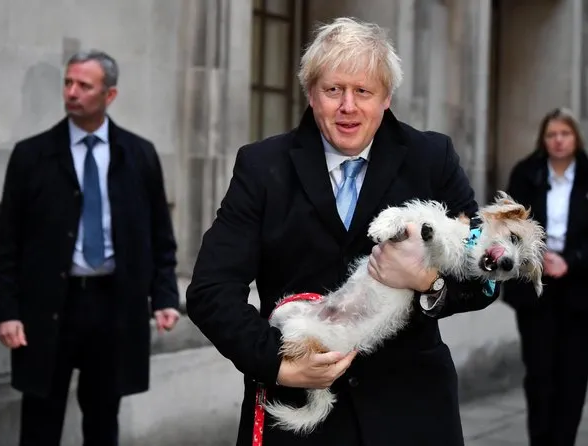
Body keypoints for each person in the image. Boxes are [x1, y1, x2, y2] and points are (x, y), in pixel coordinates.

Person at [187, 18, 501, 446]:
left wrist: (428, 282)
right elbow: (210, 289)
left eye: (363, 92)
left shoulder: (432, 158)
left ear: (386, 97)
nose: (347, 106)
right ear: (312, 94)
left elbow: (485, 279)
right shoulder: (261, 167)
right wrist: (277, 362)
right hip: (299, 416)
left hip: (411, 413)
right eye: (333, 90)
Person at [0, 50, 181, 446]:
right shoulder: (31, 155)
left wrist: (164, 296)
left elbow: (160, 236)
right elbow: (6, 242)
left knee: (103, 420)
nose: (72, 92)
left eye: (84, 85)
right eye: (68, 83)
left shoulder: (139, 155)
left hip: (113, 306)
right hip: (47, 308)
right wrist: (6, 312)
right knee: (40, 420)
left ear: (109, 95)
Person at [503, 107, 588, 446]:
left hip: (580, 291)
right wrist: (536, 258)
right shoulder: (526, 174)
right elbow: (508, 226)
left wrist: (571, 261)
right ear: (543, 138)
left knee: (572, 375)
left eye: (564, 134)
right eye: (551, 134)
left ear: (575, 137)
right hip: (534, 288)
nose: (557, 140)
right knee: (539, 374)